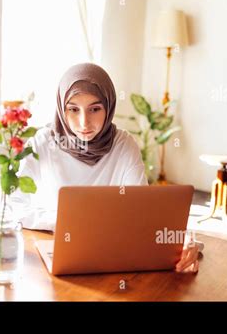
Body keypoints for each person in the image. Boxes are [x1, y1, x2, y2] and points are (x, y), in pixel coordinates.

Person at [13, 62, 199, 273]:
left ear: (109, 106)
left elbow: (143, 214)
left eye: (95, 109)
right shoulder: (42, 143)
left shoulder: (124, 145)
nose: (84, 122)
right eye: (73, 109)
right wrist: (64, 223)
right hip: (50, 247)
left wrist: (185, 240)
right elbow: (11, 206)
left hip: (112, 256)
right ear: (61, 108)